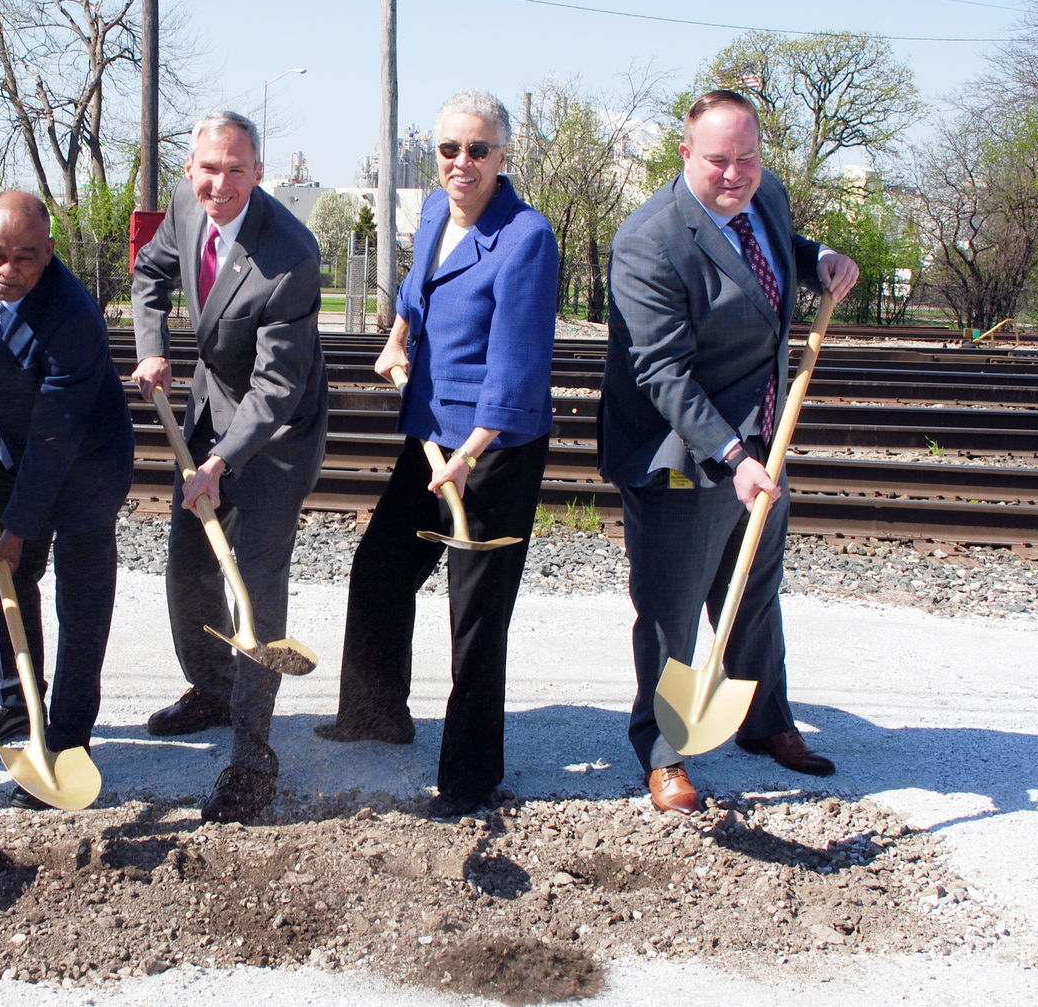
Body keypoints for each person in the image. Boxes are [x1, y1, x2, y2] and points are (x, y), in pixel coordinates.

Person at [599, 89, 860, 815]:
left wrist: (821, 260)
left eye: (747, 157)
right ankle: (663, 751)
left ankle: (764, 721)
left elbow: (778, 254)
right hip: (680, 449)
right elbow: (660, 372)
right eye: (719, 160)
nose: (735, 173)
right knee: (671, 611)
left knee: (754, 597)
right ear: (686, 154)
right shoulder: (650, 239)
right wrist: (733, 455)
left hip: (763, 443)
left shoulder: (766, 195)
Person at [315, 90, 559, 818]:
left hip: (496, 451)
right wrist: (398, 331)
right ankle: (375, 713)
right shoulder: (430, 212)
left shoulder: (525, 238)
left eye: (478, 150)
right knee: (383, 568)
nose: (462, 162)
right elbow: (420, 293)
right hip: (430, 435)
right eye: (450, 149)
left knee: (475, 612)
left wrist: (472, 453)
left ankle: (470, 777)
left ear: (503, 157)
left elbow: (517, 368)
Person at [130, 110, 328, 824]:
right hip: (210, 405)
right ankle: (212, 688)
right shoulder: (184, 205)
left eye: (236, 169)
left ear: (258, 170)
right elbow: (150, 274)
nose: (220, 183)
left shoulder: (290, 255)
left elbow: (277, 388)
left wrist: (218, 462)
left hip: (276, 436)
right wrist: (152, 343)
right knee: (189, 567)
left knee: (253, 583)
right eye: (209, 168)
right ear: (190, 168)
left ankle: (252, 757)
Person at [0, 192, 134, 809]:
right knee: (3, 579)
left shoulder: (74, 316)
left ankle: (68, 738)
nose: (8, 270)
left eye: (26, 258)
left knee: (80, 602)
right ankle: (14, 704)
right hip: (9, 445)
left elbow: (55, 439)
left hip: (84, 462)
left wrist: (21, 525)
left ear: (48, 254)